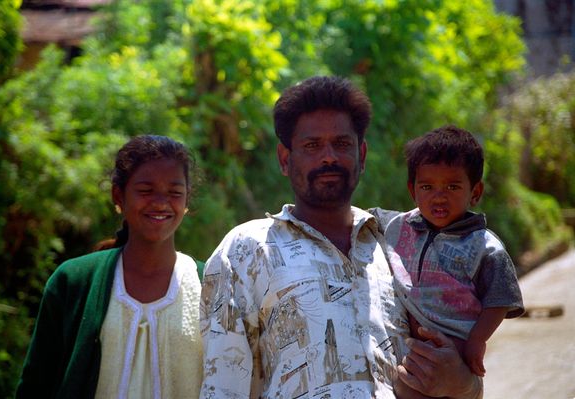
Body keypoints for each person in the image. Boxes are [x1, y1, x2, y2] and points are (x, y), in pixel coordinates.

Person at [199, 76, 483, 399]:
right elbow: (222, 387)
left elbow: (455, 372)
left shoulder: (402, 243)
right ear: (284, 159)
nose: (329, 157)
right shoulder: (246, 251)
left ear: (361, 155)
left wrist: (464, 384)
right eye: (311, 146)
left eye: (342, 144)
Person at [15, 135, 203, 398]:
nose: (161, 202)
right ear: (119, 196)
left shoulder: (211, 284)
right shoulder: (74, 280)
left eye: (174, 192)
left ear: (186, 203)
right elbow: (36, 385)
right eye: (146, 191)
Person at [374, 126, 524, 385]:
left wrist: (477, 340)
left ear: (475, 193)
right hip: (404, 340)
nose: (439, 197)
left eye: (453, 186)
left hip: (453, 345)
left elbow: (500, 298)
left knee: (413, 390)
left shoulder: (484, 247)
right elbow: (361, 216)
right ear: (413, 191)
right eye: (427, 186)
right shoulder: (398, 226)